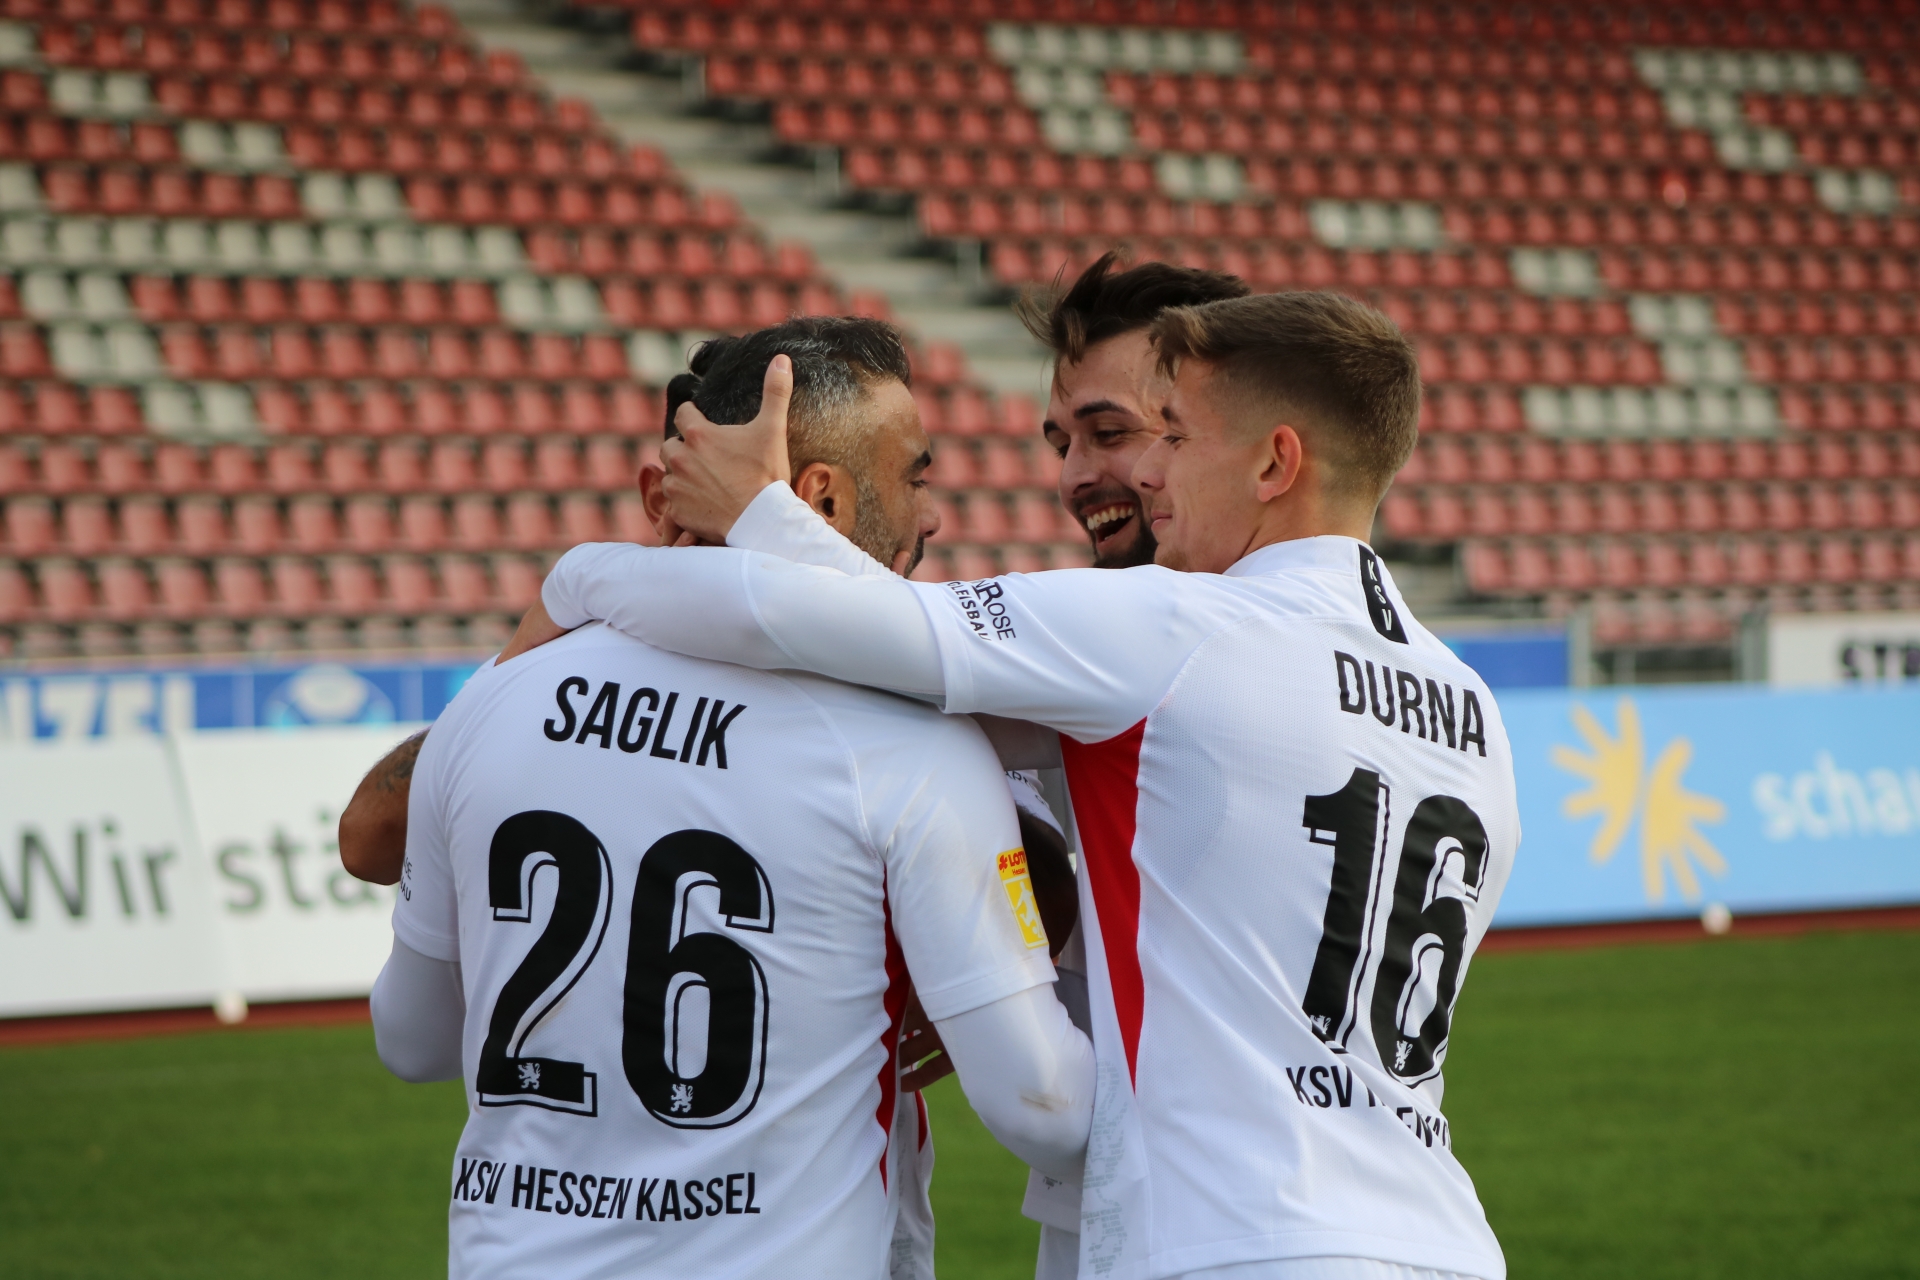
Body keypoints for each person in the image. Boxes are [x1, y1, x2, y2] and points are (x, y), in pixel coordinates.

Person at [514, 291, 1520, 1280]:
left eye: (1174, 435)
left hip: (1233, 1234)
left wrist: (594, 574)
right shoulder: (1470, 709)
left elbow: (842, 623)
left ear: (1273, 463)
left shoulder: (1178, 629)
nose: (1151, 472)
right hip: (1442, 1234)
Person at [366, 318, 1096, 1279]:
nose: (932, 516)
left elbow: (411, 1039)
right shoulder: (912, 745)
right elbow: (1044, 1111)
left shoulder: (498, 699)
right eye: (916, 477)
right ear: (821, 499)